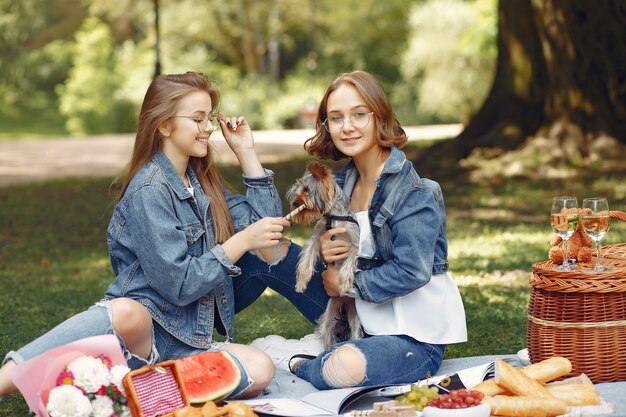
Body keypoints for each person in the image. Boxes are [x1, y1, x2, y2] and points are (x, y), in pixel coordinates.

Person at [0, 71, 313, 400]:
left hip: (189, 341)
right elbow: (180, 285)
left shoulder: (202, 180)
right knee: (127, 311)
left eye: (210, 117)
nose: (208, 127)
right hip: (142, 334)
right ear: (164, 125)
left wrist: (247, 153)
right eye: (197, 118)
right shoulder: (149, 189)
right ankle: (10, 376)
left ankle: (139, 389)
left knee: (260, 367)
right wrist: (241, 242)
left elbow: (267, 231)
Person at [285, 70, 468, 390]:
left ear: (379, 116)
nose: (348, 126)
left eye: (359, 114)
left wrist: (345, 283)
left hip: (412, 337)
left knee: (342, 366)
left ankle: (311, 366)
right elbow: (335, 248)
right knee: (267, 250)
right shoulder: (340, 185)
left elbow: (411, 271)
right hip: (356, 316)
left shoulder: (415, 192)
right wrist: (328, 252)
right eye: (336, 118)